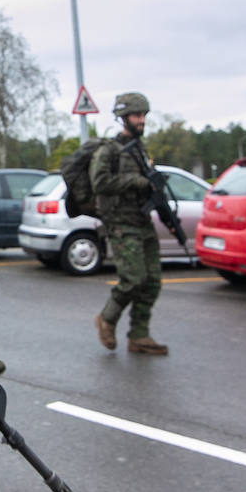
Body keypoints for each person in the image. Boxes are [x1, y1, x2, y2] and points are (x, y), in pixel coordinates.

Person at [90, 92, 169, 355]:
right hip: (121, 224)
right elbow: (99, 183)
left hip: (142, 221)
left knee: (152, 281)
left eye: (144, 115)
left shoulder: (141, 149)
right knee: (133, 278)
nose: (142, 120)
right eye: (137, 115)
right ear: (124, 118)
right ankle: (107, 318)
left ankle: (139, 335)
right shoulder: (108, 150)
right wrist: (134, 182)